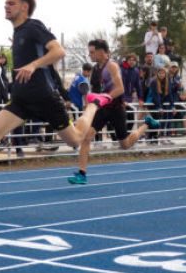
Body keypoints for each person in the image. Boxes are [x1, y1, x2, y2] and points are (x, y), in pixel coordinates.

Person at [0, 0, 107, 204]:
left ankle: (94, 104)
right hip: (21, 99)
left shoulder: (33, 26)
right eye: (5, 3)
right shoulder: (19, 32)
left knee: (76, 140)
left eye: (11, 3)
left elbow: (59, 51)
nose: (6, 6)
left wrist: (33, 65)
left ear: (24, 7)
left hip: (44, 97)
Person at [67, 39, 158, 184]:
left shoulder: (112, 66)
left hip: (116, 109)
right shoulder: (96, 69)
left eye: (92, 52)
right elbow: (96, 91)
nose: (89, 55)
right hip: (102, 109)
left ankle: (147, 123)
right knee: (86, 137)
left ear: (101, 52)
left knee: (125, 145)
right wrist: (89, 105)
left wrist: (105, 97)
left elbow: (120, 89)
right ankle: (82, 174)